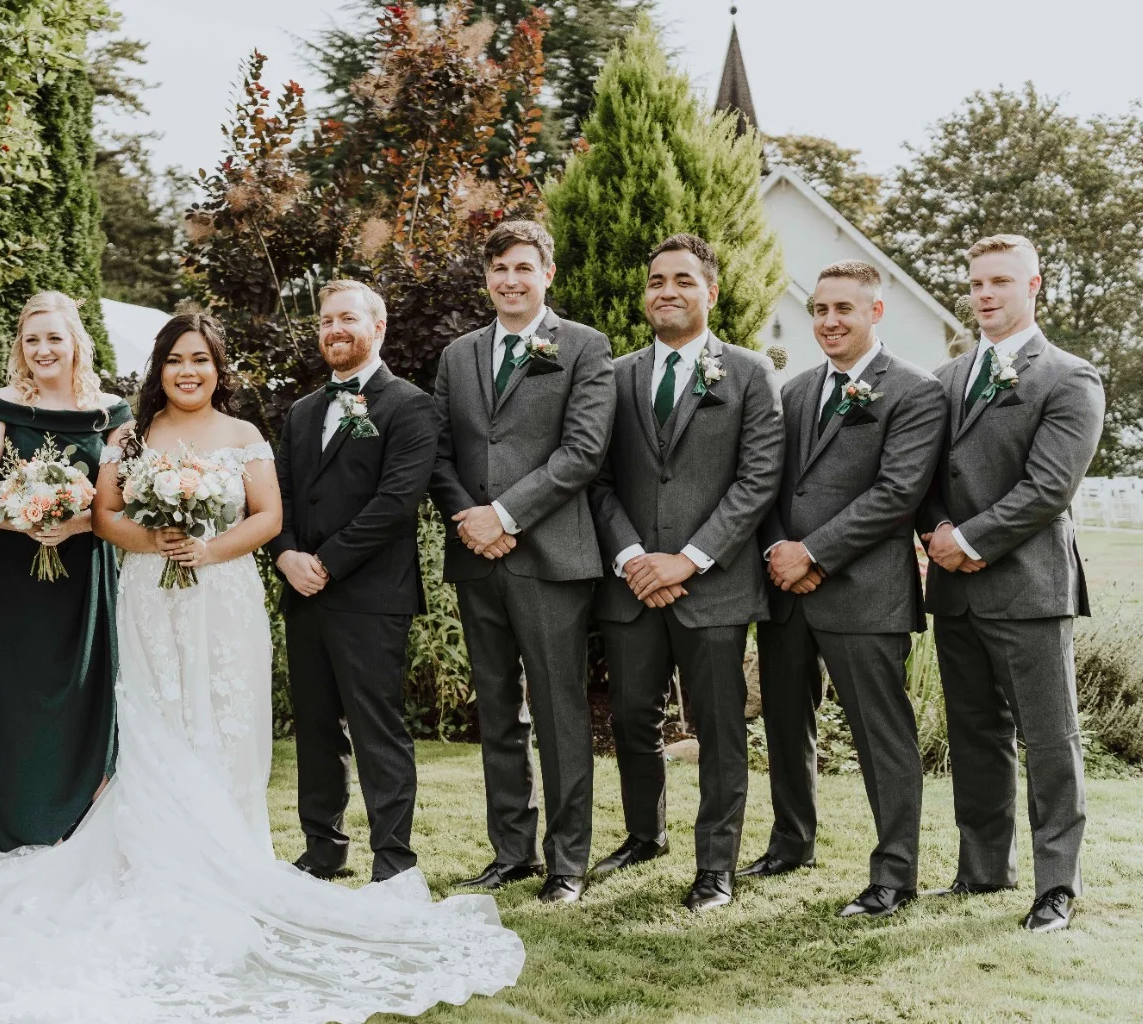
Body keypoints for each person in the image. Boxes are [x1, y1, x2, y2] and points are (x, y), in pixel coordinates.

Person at [0, 311, 524, 1024]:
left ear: (217, 368)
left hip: (222, 596)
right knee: (157, 718)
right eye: (175, 359)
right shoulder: (130, 438)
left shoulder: (244, 437)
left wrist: (210, 549)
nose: (188, 371)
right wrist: (158, 537)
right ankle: (149, 860)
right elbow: (106, 517)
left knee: (222, 718)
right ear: (159, 369)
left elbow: (269, 516)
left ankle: (233, 854)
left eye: (200, 360)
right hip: (149, 593)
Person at [588, 233, 782, 911]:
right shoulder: (613, 377)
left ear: (712, 292)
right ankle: (645, 834)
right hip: (632, 583)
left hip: (716, 585)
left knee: (720, 726)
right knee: (632, 716)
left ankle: (716, 867)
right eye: (656, 281)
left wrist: (689, 558)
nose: (666, 291)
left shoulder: (751, 374)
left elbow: (758, 481)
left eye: (682, 281)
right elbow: (599, 479)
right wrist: (632, 558)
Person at [749, 261, 948, 918]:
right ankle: (790, 842)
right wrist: (780, 548)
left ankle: (894, 875)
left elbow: (897, 495)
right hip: (785, 590)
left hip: (864, 594)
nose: (829, 321)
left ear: (876, 312)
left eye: (844, 309)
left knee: (880, 736)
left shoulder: (916, 392)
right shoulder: (797, 390)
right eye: (820, 310)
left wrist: (813, 552)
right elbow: (773, 483)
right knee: (785, 723)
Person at [919, 234, 1105, 933]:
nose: (985, 294)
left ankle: (1057, 885)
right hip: (957, 589)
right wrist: (938, 533)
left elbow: (1048, 487)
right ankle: (983, 867)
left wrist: (967, 540)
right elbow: (924, 477)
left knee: (1050, 739)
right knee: (974, 732)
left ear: (1034, 286)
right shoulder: (945, 378)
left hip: (1029, 587)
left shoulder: (1069, 377)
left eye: (1000, 280)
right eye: (975, 283)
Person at [429, 218, 616, 905]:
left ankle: (568, 861)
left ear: (547, 275)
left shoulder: (586, 348)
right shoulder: (458, 355)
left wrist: (505, 516)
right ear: (487, 278)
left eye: (522, 268)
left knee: (562, 712)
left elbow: (583, 451)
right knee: (498, 710)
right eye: (498, 268)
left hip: (547, 555)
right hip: (476, 557)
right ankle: (512, 851)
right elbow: (440, 449)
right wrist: (471, 522)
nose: (510, 280)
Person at [271, 280, 439, 884]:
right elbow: (280, 497)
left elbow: (396, 503)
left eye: (347, 318)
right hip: (304, 592)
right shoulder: (301, 412)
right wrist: (287, 556)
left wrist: (327, 562)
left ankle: (393, 861)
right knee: (316, 729)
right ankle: (323, 849)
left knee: (377, 730)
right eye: (325, 321)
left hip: (369, 596)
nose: (334, 330)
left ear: (377, 328)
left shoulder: (410, 405)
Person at [0, 292, 127, 850]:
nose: (43, 349)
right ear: (20, 347)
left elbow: (119, 501)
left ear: (76, 341)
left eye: (54, 337)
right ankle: (22, 827)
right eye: (32, 340)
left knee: (87, 691)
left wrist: (77, 523)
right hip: (14, 576)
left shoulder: (113, 412)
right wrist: (19, 518)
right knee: (17, 695)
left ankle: (84, 829)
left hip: (86, 574)